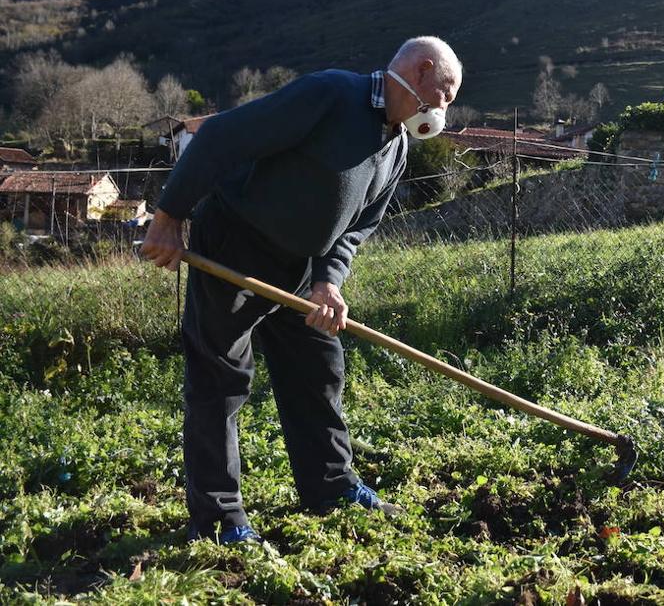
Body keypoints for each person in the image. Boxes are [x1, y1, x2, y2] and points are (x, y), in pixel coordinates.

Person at [140, 36, 462, 544]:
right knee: (220, 377)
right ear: (422, 73)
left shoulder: (396, 146)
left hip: (301, 267)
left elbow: (356, 228)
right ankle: (221, 519)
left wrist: (328, 282)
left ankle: (331, 487)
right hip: (235, 246)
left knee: (318, 368)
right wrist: (169, 216)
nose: (446, 107)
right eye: (446, 93)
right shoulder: (332, 95)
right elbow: (221, 137)